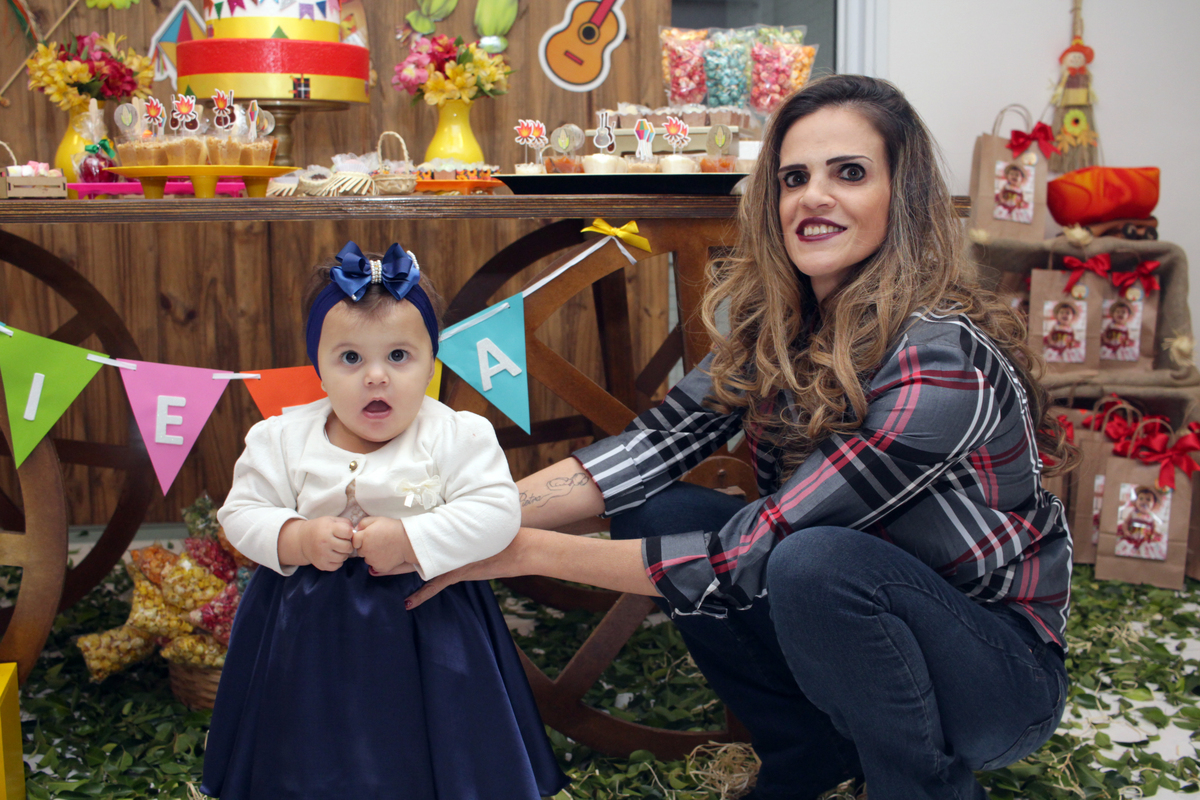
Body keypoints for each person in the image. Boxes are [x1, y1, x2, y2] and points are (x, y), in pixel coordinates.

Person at [408, 75, 1074, 800]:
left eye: (849, 173)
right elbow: (647, 449)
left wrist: (519, 550)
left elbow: (747, 554)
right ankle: (808, 752)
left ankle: (923, 785)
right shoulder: (779, 332)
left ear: (903, 196)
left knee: (812, 562)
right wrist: (456, 520)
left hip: (993, 673)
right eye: (794, 178)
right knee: (658, 507)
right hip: (858, 617)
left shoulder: (940, 360)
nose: (813, 197)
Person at [202, 242, 568, 799]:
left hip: (428, 615)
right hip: (305, 623)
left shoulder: (456, 435)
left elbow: (497, 512)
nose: (376, 377)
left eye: (399, 356)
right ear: (318, 368)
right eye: (350, 359)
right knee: (306, 726)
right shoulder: (281, 437)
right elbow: (241, 512)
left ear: (431, 362)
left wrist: (413, 537)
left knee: (433, 725)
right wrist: (295, 536)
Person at [1116, 485, 1167, 560]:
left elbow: (1154, 526)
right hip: (1132, 536)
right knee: (1123, 546)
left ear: (1154, 503)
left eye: (1148, 499)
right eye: (1141, 498)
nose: (1144, 501)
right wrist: (1126, 531)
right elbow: (1125, 523)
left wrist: (1155, 532)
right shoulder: (1133, 513)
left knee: (1150, 549)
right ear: (1136, 501)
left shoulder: (1151, 516)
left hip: (1145, 538)